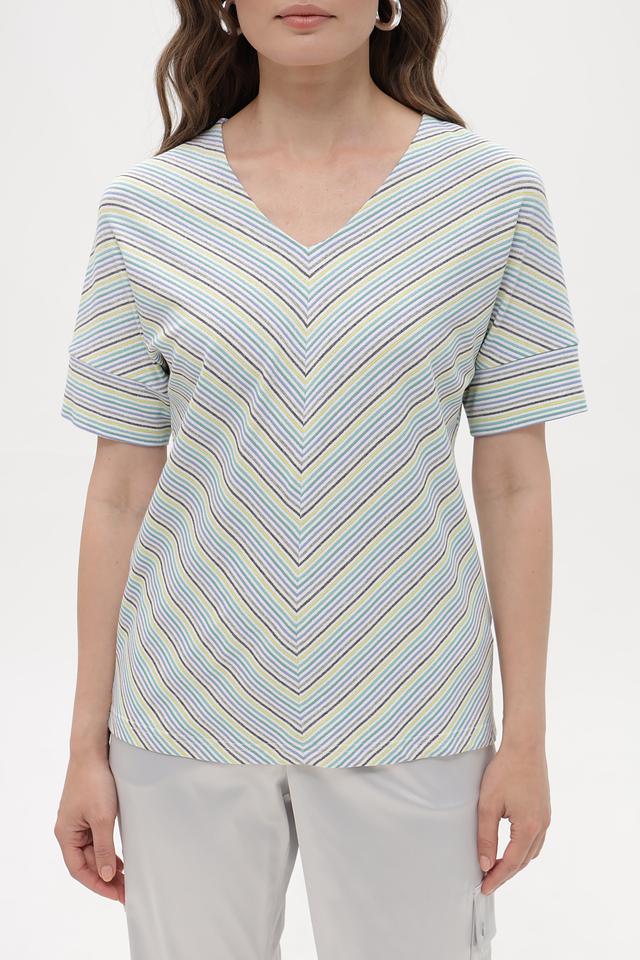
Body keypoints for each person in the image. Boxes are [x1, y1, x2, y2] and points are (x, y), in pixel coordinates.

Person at [53, 2, 588, 958]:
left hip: (414, 701)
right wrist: (84, 744)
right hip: (185, 704)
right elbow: (118, 492)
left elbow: (515, 481)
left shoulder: (492, 198)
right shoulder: (147, 209)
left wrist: (528, 737)